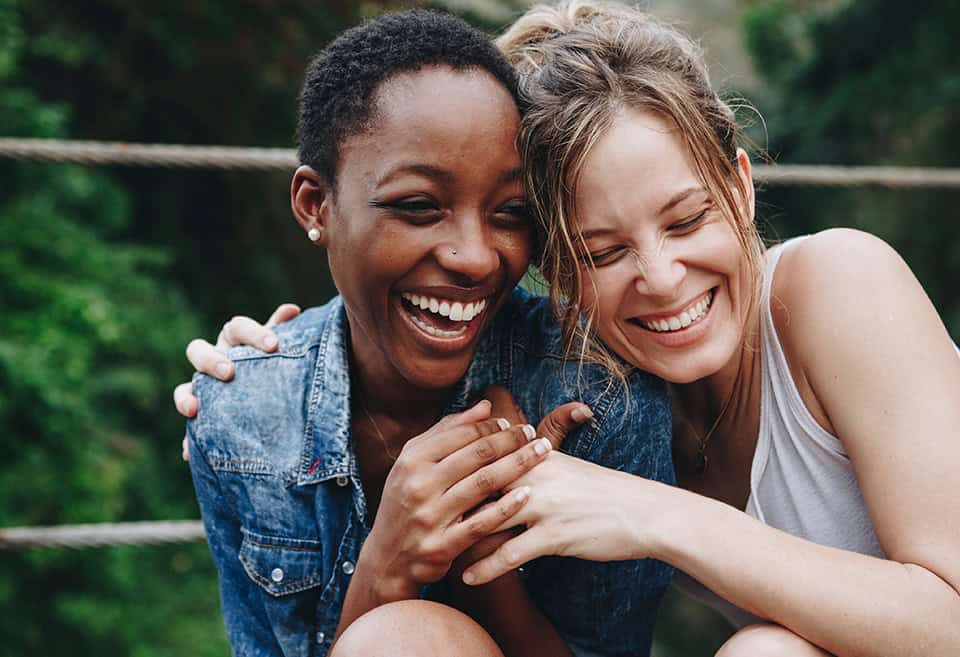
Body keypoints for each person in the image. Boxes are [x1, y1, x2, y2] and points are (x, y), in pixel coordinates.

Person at [188, 3, 960, 656]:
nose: (661, 277)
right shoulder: (611, 387)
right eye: (603, 250)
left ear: (740, 185)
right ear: (551, 269)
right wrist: (277, 369)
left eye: (688, 218)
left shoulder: (836, 283)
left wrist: (657, 515)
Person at [181, 9, 674, 657]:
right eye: (418, 205)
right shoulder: (241, 417)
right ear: (315, 205)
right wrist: (388, 561)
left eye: (511, 212)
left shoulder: (597, 394)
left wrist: (485, 556)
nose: (474, 256)